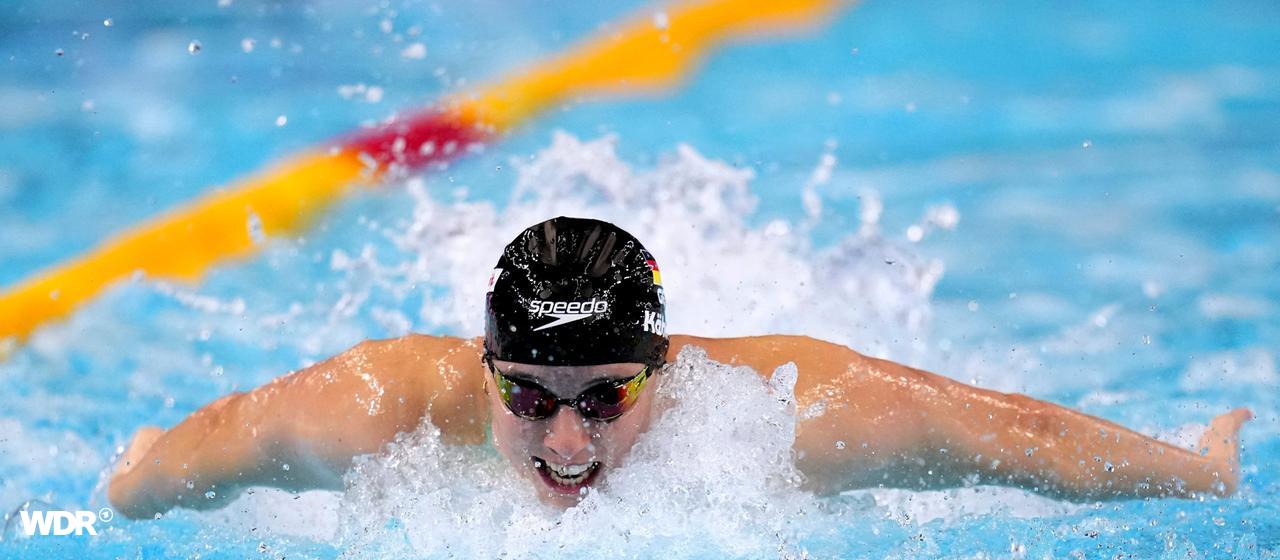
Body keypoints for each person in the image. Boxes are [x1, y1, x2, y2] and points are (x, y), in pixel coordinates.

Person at [107, 216, 1251, 519]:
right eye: (529, 396)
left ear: (663, 368)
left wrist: (1201, 471)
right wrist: (122, 484)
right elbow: (187, 458)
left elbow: (1025, 440)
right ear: (482, 362)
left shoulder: (793, 412)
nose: (566, 443)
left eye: (606, 395)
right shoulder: (370, 409)